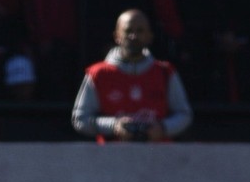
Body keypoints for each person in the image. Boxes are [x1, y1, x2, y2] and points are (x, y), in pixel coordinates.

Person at [72, 9, 193, 143]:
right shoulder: (98, 74)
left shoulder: (165, 72)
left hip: (158, 157)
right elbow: (80, 119)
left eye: (140, 31)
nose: (133, 36)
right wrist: (113, 126)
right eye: (128, 31)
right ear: (117, 36)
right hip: (111, 158)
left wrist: (162, 127)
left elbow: (184, 114)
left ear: (149, 36)